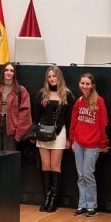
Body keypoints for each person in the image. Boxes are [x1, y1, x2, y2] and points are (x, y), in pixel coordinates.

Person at [33, 66, 74, 212]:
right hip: (43, 133)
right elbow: (36, 116)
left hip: (59, 133)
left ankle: (53, 201)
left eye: (54, 76)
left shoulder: (67, 94)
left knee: (55, 166)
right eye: (49, 76)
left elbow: (69, 118)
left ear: (59, 77)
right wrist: (35, 133)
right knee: (45, 166)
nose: (52, 79)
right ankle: (46, 198)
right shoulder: (42, 93)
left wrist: (69, 138)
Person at [69, 73, 108, 217]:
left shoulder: (99, 101)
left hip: (92, 145)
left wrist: (103, 143)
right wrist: (72, 140)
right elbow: (74, 122)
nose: (84, 86)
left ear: (92, 86)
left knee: (88, 174)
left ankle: (92, 206)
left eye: (87, 84)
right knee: (81, 175)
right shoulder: (79, 101)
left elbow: (103, 123)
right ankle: (82, 205)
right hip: (79, 144)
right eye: (82, 83)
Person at [0, 62, 31, 150]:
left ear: (14, 73)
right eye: (6, 70)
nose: (9, 72)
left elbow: (25, 114)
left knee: (9, 156)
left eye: (11, 70)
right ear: (3, 72)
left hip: (12, 128)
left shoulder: (21, 90)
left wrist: (19, 133)